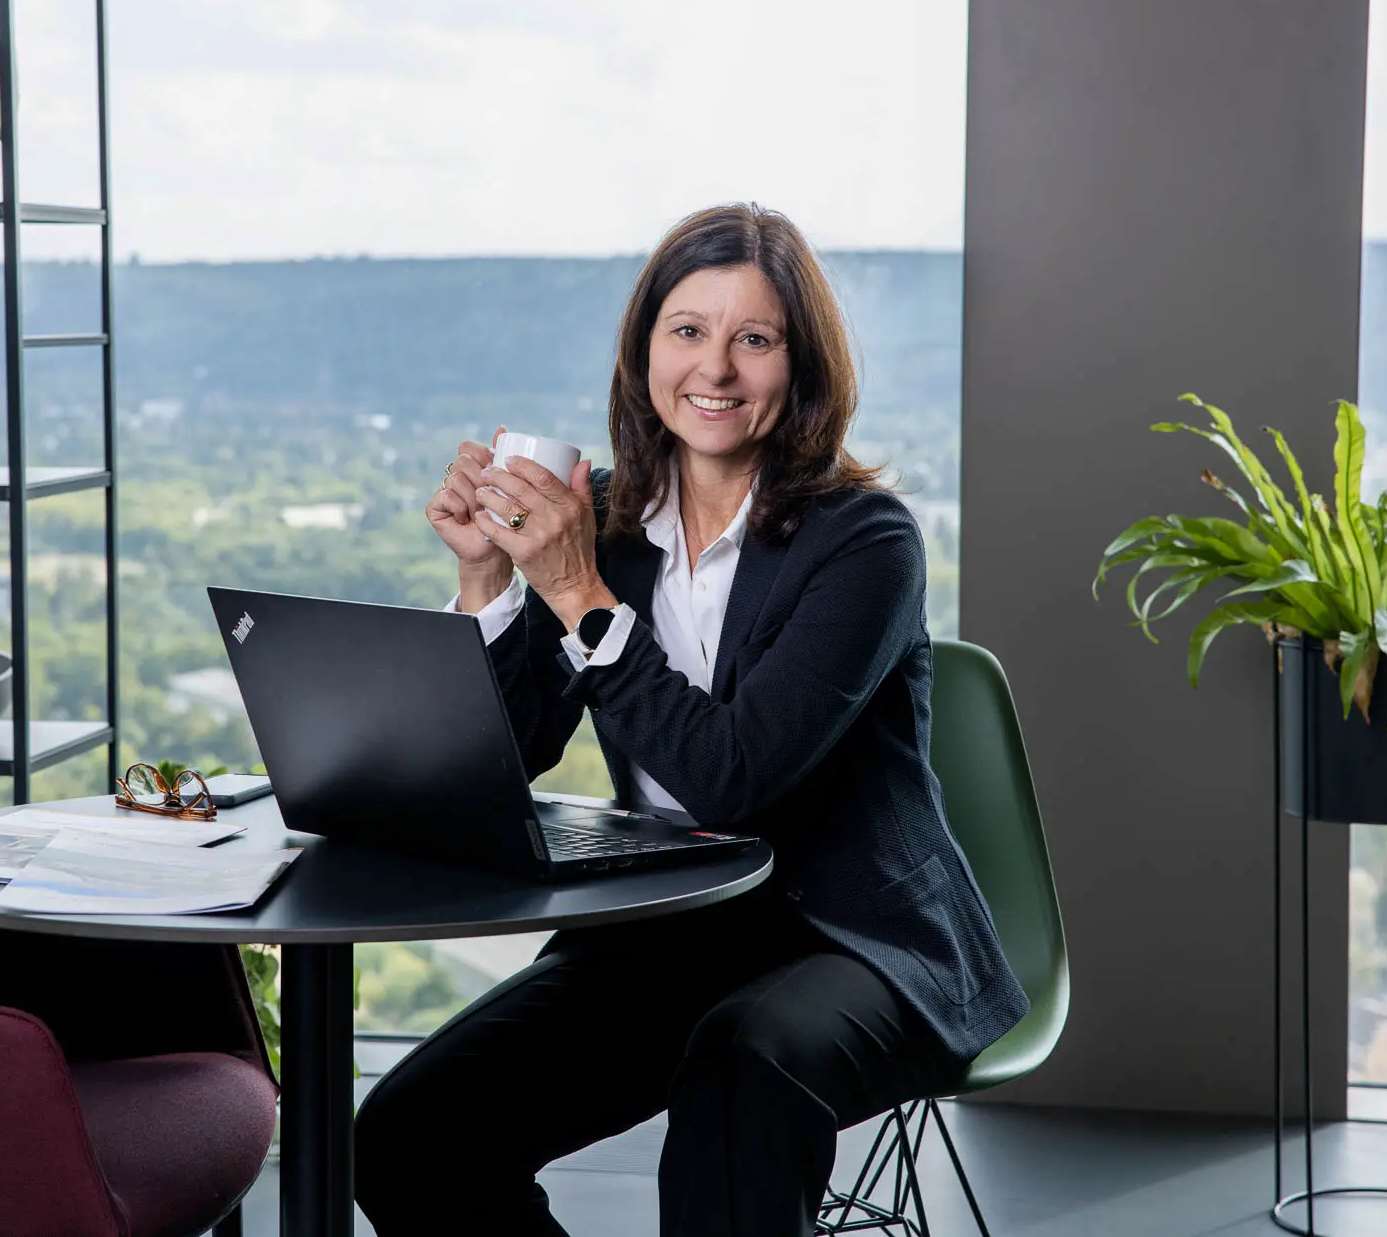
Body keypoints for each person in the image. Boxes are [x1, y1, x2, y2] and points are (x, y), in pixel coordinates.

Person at [354, 203, 1028, 1237]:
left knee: (740, 1066)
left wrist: (578, 593)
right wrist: (488, 585)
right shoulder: (614, 526)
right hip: (672, 933)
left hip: (857, 938)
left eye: (754, 338)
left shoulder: (866, 544)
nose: (715, 368)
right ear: (644, 352)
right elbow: (510, 755)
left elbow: (731, 776)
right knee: (411, 1135)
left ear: (800, 368)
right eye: (687, 331)